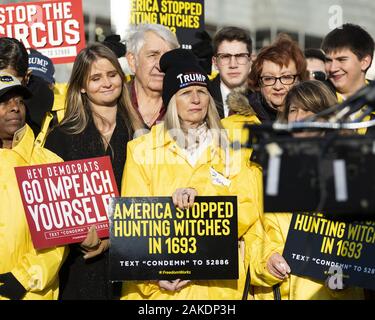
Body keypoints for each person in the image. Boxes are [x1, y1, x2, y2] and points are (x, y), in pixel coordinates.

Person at [120, 48, 262, 300]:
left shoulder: (232, 146)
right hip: (161, 292)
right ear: (172, 99)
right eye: (186, 93)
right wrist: (153, 274)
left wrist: (203, 198)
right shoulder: (141, 150)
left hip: (219, 290)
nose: (196, 99)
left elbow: (249, 205)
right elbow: (135, 224)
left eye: (201, 91)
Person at [248, 80, 365, 300]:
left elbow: (363, 244)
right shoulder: (265, 169)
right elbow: (252, 236)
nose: (300, 118)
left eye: (309, 110)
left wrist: (348, 277)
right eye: (293, 110)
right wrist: (266, 261)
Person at [44, 43, 143, 300]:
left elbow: (150, 197)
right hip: (77, 267)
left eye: (112, 74)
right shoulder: (60, 137)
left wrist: (111, 240)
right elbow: (50, 204)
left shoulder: (142, 134)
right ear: (82, 86)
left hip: (131, 262)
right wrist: (78, 237)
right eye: (96, 78)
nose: (107, 83)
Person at [0, 72, 66, 300]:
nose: (15, 107)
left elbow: (58, 236)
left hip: (33, 294)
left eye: (19, 100)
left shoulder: (49, 163)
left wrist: (25, 277)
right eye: (4, 101)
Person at [125, 23, 179, 129]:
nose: (160, 65)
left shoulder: (184, 105)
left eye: (167, 57)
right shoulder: (115, 101)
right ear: (132, 60)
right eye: (153, 55)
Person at [247, 34, 309, 121]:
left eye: (286, 77)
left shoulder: (315, 119)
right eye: (269, 78)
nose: (278, 87)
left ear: (299, 79)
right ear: (259, 83)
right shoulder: (236, 124)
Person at [321, 23, 374, 102]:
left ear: (364, 62)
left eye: (341, 59)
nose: (332, 68)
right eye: (328, 60)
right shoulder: (314, 99)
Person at [211, 26, 253, 118]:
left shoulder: (262, 100)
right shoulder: (201, 98)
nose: (233, 65)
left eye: (240, 56)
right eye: (225, 56)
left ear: (250, 61)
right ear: (215, 63)